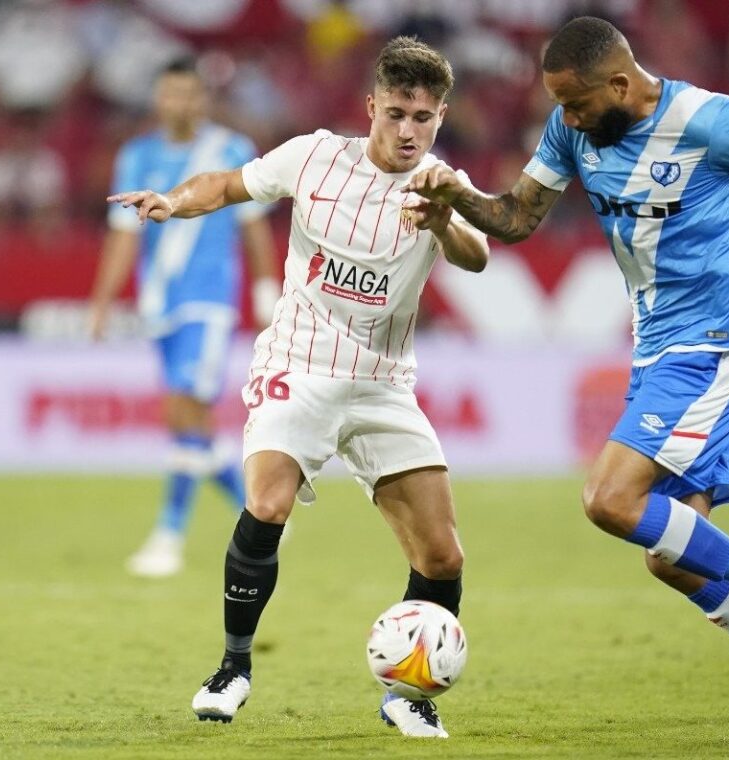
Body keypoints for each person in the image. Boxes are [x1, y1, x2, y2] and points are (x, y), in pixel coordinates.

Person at [403, 16, 729, 751]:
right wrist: (454, 196)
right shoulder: (572, 129)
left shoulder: (708, 121)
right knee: (672, 558)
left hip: (717, 346)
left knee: (609, 499)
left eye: (578, 104)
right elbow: (517, 218)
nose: (568, 119)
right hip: (658, 352)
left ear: (620, 84)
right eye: (561, 106)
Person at [108, 37, 488, 738]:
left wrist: (443, 220)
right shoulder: (313, 156)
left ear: (441, 117)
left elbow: (479, 254)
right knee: (268, 501)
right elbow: (226, 185)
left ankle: (408, 695)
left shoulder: (442, 185)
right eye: (397, 113)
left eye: (424, 118)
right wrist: (172, 200)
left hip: (382, 385)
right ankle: (233, 668)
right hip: (299, 364)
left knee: (443, 556)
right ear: (371, 106)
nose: (409, 131)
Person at [91, 59, 281, 578]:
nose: (180, 103)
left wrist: (266, 292)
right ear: (158, 98)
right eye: (171, 93)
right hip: (160, 304)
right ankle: (259, 511)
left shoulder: (230, 150)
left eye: (189, 94)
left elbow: (253, 226)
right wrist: (102, 302)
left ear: (203, 99)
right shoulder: (137, 155)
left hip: (210, 302)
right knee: (191, 421)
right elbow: (123, 235)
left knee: (183, 409)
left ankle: (168, 537)